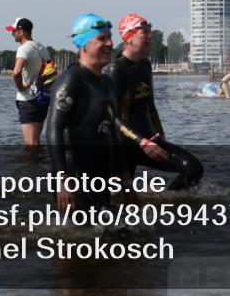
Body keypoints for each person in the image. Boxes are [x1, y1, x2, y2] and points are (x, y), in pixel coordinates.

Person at [47, 14, 165, 211]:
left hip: (99, 177)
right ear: (83, 44)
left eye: (110, 37)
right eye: (102, 39)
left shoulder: (106, 83)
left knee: (125, 231)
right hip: (74, 177)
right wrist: (63, 178)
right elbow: (53, 131)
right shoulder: (72, 80)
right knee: (102, 235)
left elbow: (112, 135)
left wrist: (126, 181)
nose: (110, 43)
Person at [107, 13, 203, 190]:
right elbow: (112, 117)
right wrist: (141, 142)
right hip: (124, 145)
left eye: (150, 31)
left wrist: (160, 137)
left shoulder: (145, 65)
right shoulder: (115, 69)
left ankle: (167, 205)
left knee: (193, 169)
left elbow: (150, 106)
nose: (150, 36)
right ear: (129, 37)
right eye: (144, 31)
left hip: (149, 141)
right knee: (119, 197)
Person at [5, 17, 56, 145]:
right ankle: (40, 163)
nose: (12, 34)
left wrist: (21, 87)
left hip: (28, 99)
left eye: (14, 31)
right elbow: (49, 72)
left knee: (30, 143)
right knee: (36, 141)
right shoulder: (42, 48)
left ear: (21, 31)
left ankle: (30, 165)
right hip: (42, 98)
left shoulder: (23, 49)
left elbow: (16, 72)